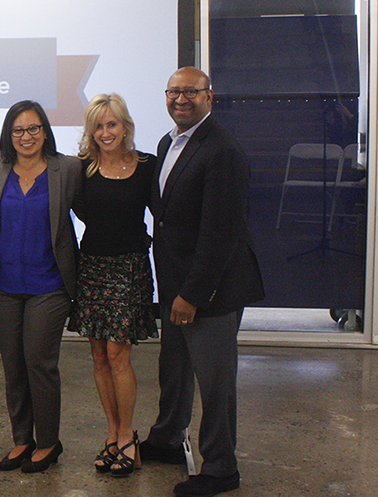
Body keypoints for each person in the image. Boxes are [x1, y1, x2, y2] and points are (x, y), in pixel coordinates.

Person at [142, 67, 264, 497]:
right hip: (175, 284)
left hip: (209, 291)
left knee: (215, 382)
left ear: (209, 96)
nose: (180, 98)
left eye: (190, 92)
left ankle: (220, 468)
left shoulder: (222, 150)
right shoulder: (169, 142)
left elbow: (221, 234)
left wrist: (193, 294)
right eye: (173, 91)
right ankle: (167, 438)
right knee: (173, 369)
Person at [0, 100, 82, 474]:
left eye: (34, 129)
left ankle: (48, 442)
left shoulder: (67, 169)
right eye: (18, 130)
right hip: (5, 285)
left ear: (45, 131)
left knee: (39, 363)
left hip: (50, 285)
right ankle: (22, 439)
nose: (26, 137)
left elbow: (97, 209)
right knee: (13, 365)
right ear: (9, 135)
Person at [74, 93, 158, 477]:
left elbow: (166, 216)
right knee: (98, 356)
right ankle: (111, 433)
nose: (106, 132)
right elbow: (80, 212)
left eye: (112, 124)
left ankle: (127, 435)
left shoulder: (146, 167)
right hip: (91, 268)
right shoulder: (82, 169)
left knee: (118, 354)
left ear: (125, 125)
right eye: (99, 126)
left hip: (129, 270)